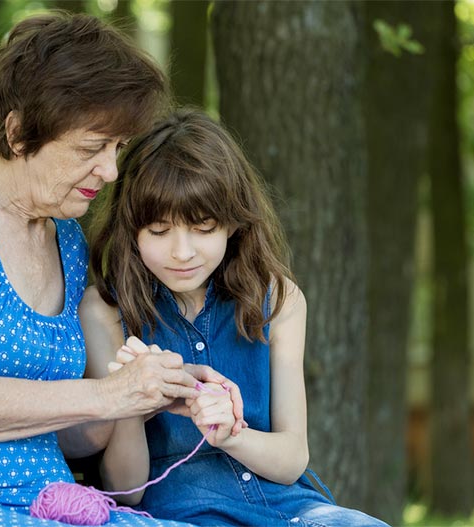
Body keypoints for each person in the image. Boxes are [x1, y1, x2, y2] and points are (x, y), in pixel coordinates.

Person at [0, 14, 233, 527]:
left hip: (49, 506)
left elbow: (74, 437)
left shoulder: (67, 241)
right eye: (91, 148)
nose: (111, 171)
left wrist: (141, 394)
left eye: (116, 149)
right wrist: (105, 393)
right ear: (19, 132)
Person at [81, 108, 391, 527]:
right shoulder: (105, 312)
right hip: (180, 514)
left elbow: (292, 459)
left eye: (203, 228)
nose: (182, 252)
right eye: (158, 231)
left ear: (233, 222)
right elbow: (127, 489)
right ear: (130, 229)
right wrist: (132, 400)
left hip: (291, 508)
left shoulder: (279, 298)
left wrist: (231, 435)